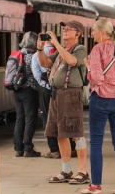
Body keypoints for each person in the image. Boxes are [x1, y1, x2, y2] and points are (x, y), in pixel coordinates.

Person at [81, 19, 115, 194]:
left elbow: (97, 79)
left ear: (102, 32)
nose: (92, 33)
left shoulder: (98, 49)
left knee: (96, 142)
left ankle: (95, 186)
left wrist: (88, 66)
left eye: (94, 30)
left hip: (102, 99)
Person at [37, 20, 89, 184]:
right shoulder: (61, 50)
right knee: (60, 133)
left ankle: (83, 171)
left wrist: (57, 44)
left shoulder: (80, 49)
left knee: (75, 132)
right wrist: (40, 48)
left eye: (69, 29)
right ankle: (66, 171)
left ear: (78, 34)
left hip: (71, 93)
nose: (65, 31)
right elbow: (45, 63)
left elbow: (72, 61)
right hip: (57, 94)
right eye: (64, 29)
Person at [13, 31, 41, 157]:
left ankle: (18, 147)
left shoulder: (17, 54)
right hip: (29, 89)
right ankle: (28, 148)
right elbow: (36, 73)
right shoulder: (32, 56)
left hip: (17, 90)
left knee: (20, 118)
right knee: (30, 118)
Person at [31, 41, 60, 158]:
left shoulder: (35, 56)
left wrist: (46, 85)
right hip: (62, 89)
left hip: (47, 90)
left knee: (48, 118)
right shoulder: (60, 52)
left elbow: (36, 74)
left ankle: (54, 149)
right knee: (64, 117)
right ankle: (70, 148)